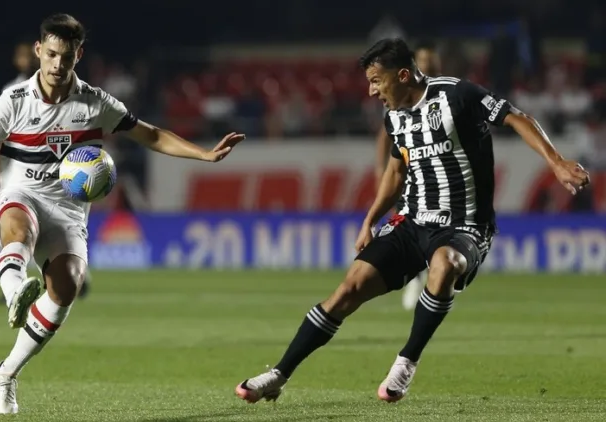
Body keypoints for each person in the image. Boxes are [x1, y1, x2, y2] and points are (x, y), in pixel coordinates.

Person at [235, 38, 588, 404]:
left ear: (403, 75)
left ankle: (407, 361)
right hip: (412, 221)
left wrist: (557, 162)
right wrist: (370, 219)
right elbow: (396, 171)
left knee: (444, 264)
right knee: (348, 289)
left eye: (376, 80)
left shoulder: (458, 95)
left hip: (464, 224)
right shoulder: (393, 118)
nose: (372, 91)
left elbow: (518, 117)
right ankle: (278, 374)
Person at [0, 13, 244, 414]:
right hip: (20, 192)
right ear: (39, 51)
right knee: (17, 231)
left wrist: (204, 153)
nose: (58, 64)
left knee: (68, 286)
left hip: (69, 209)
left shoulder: (95, 103)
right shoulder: (13, 103)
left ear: (79, 55)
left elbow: (152, 134)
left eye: (67, 57)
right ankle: (14, 293)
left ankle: (6, 373)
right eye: (52, 54)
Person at [0, 40, 92, 304]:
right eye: (21, 55)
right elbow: (2, 135)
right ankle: (16, 285)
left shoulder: (62, 88)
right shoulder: (12, 91)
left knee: (67, 221)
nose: (26, 60)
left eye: (28, 55)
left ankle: (71, 274)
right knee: (18, 228)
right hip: (19, 169)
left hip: (55, 166)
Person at [373, 40, 442, 311]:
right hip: (411, 170)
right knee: (408, 219)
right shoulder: (400, 96)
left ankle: (436, 275)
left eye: (432, 63)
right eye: (424, 62)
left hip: (442, 173)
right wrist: (383, 170)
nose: (428, 67)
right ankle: (415, 276)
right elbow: (385, 135)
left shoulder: (447, 93)